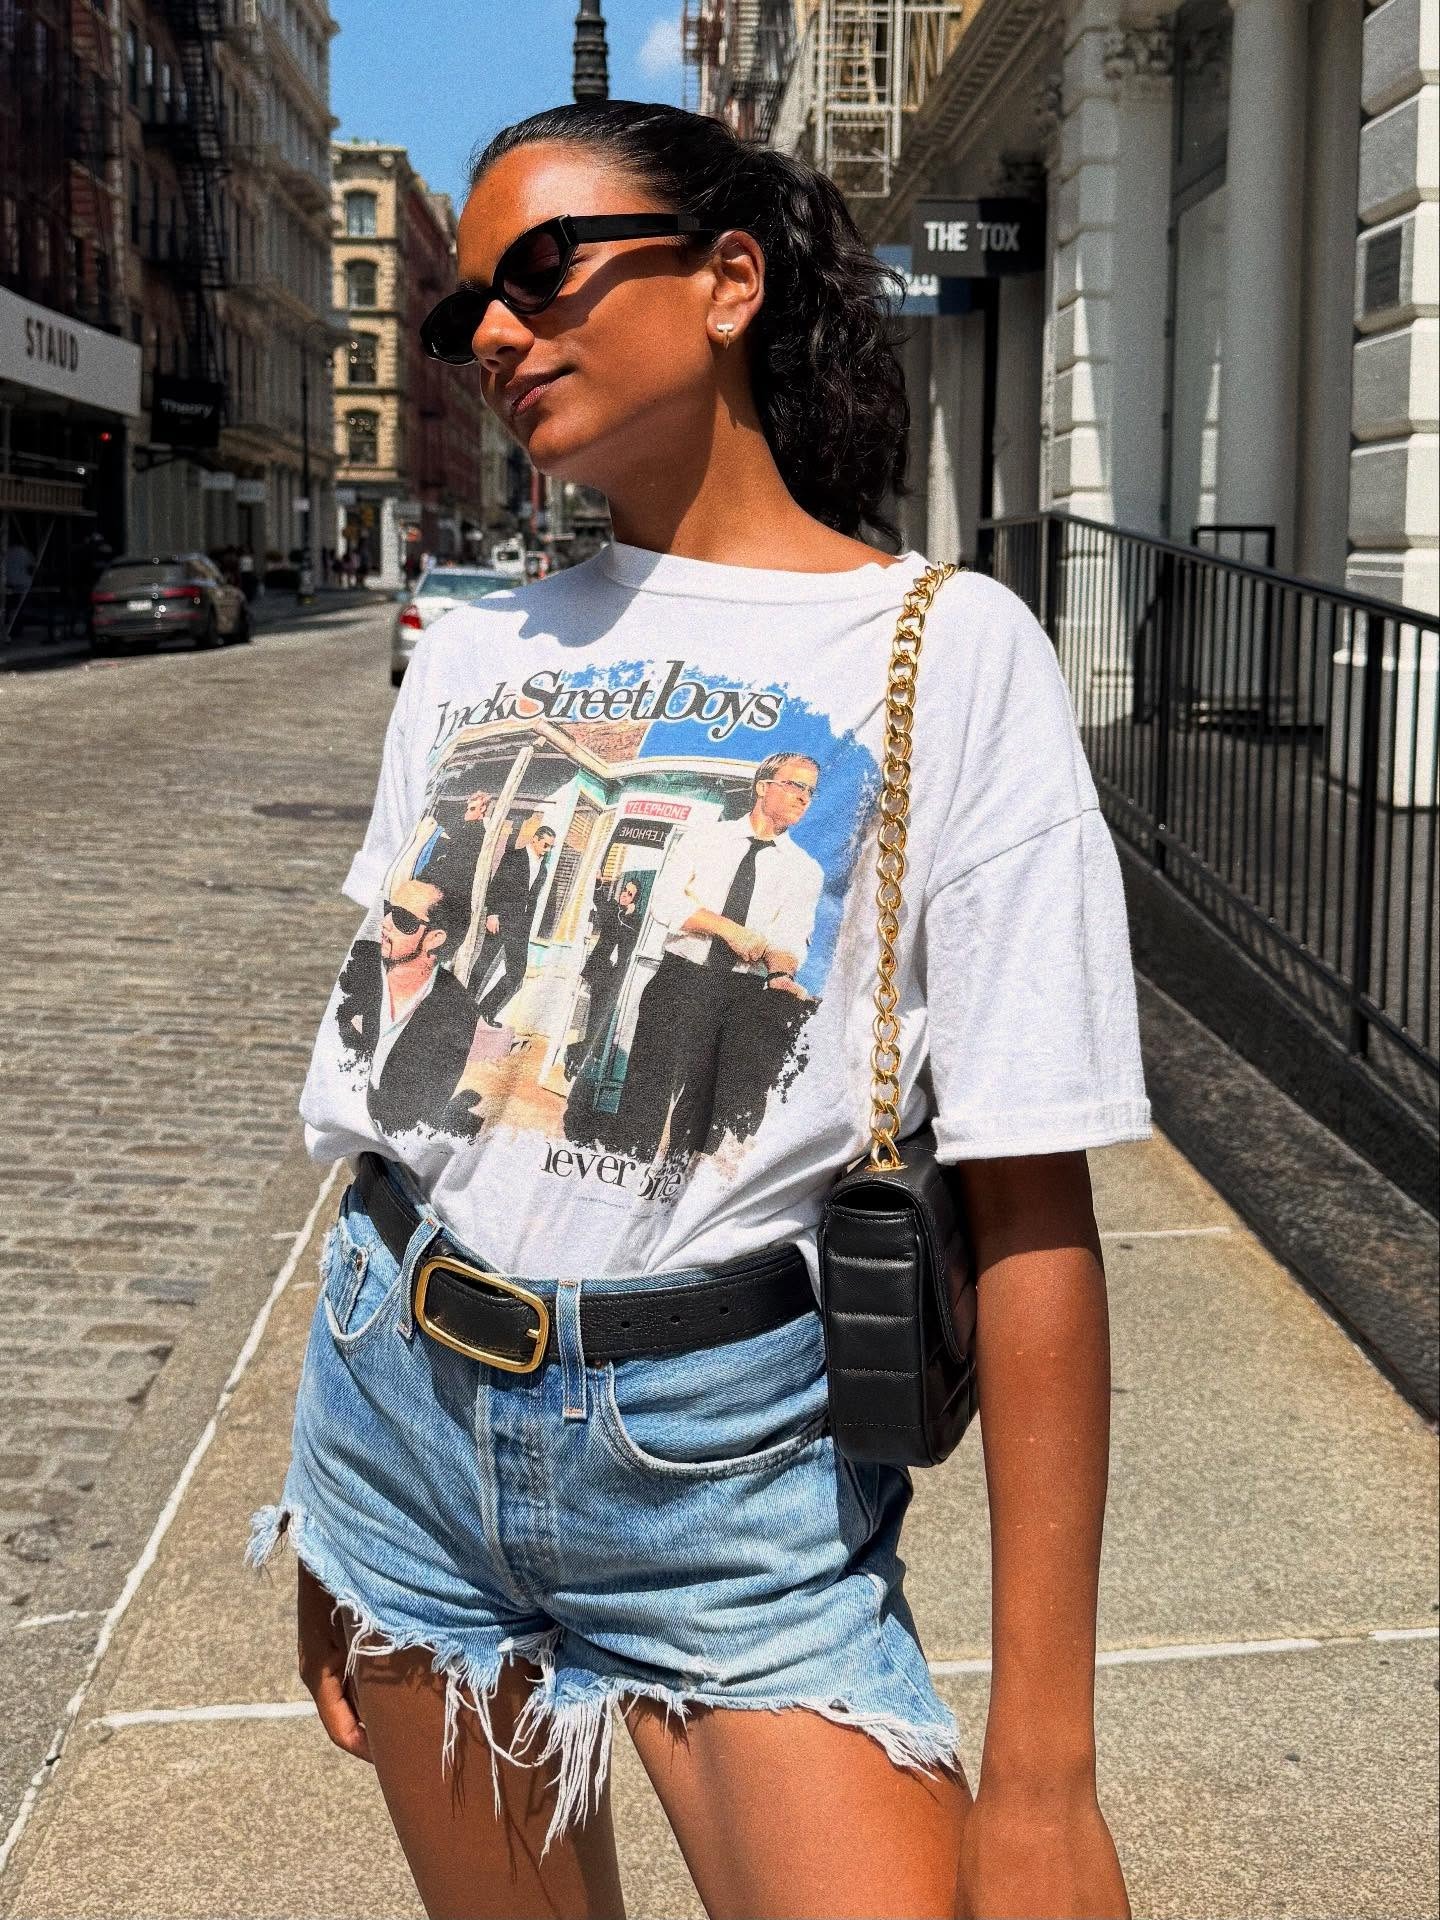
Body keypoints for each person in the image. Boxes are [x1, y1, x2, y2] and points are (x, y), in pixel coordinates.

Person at [248, 99, 1149, 1920]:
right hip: (399, 1407)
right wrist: (330, 1498)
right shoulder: (477, 642)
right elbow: (405, 1104)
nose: (492, 330)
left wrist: (1044, 1763)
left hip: (731, 1475)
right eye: (463, 314)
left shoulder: (942, 648)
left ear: (729, 280)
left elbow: (1032, 1200)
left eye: (544, 271)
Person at [607, 752, 822, 1161]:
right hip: (679, 980)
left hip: (742, 993)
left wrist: (780, 971)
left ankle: (677, 1187)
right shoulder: (705, 838)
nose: (804, 798)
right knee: (646, 1090)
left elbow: (791, 941)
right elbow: (666, 901)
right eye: (795, 785)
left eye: (810, 791)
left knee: (707, 1105)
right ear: (764, 786)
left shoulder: (805, 870)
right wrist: (728, 929)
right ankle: (622, 1171)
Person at [334, 877, 479, 1138]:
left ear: (435, 938)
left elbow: (417, 1111)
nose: (386, 923)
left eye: (403, 919)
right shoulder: (359, 967)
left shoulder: (457, 1011)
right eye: (388, 909)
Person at [470, 820, 557, 1028]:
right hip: (500, 920)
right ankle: (463, 1006)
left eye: (551, 847)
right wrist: (493, 914)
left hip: (521, 928)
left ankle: (486, 1009)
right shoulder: (514, 857)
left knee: (517, 971)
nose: (547, 850)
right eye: (545, 845)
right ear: (535, 839)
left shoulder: (543, 869)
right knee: (483, 963)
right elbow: (497, 885)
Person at [564, 874, 641, 1077]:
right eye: (624, 891)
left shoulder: (635, 920)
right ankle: (581, 1055)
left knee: (602, 1018)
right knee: (596, 1016)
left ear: (636, 899)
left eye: (630, 894)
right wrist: (598, 884)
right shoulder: (613, 909)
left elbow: (632, 938)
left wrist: (629, 915)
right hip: (600, 970)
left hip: (615, 975)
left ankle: (579, 1054)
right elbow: (598, 901)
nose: (624, 895)